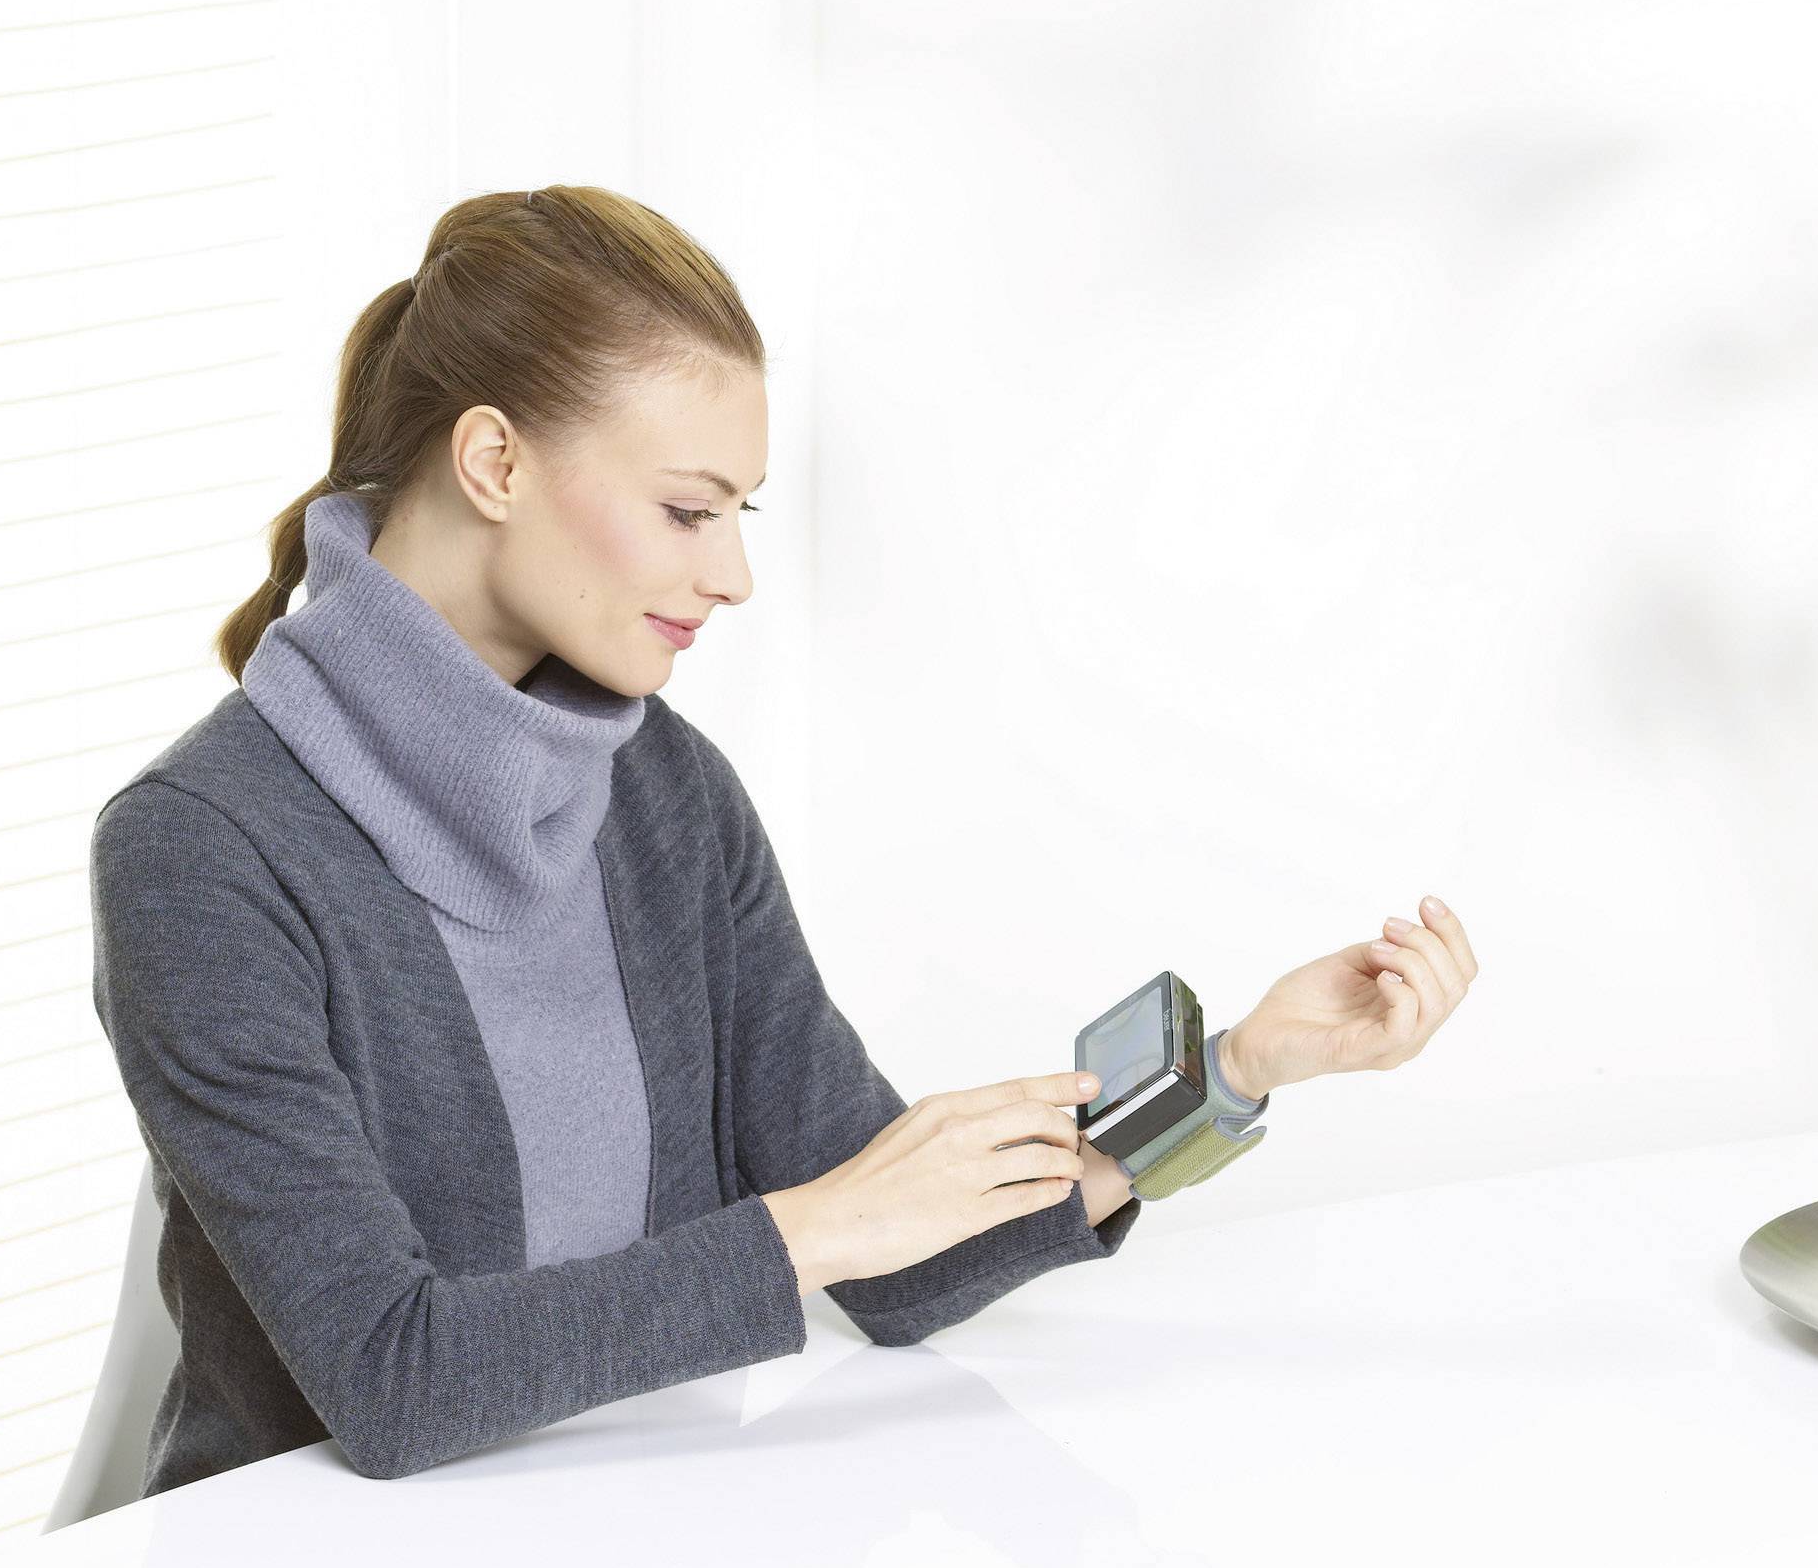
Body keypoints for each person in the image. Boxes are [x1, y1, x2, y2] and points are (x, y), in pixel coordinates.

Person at [88, 184, 1477, 1495]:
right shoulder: (202, 855)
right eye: (688, 511)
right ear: (495, 460)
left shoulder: (663, 794)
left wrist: (1234, 1068)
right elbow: (391, 1378)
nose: (733, 575)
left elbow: (899, 1256)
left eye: (737, 517)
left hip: (632, 1560)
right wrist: (818, 1226)